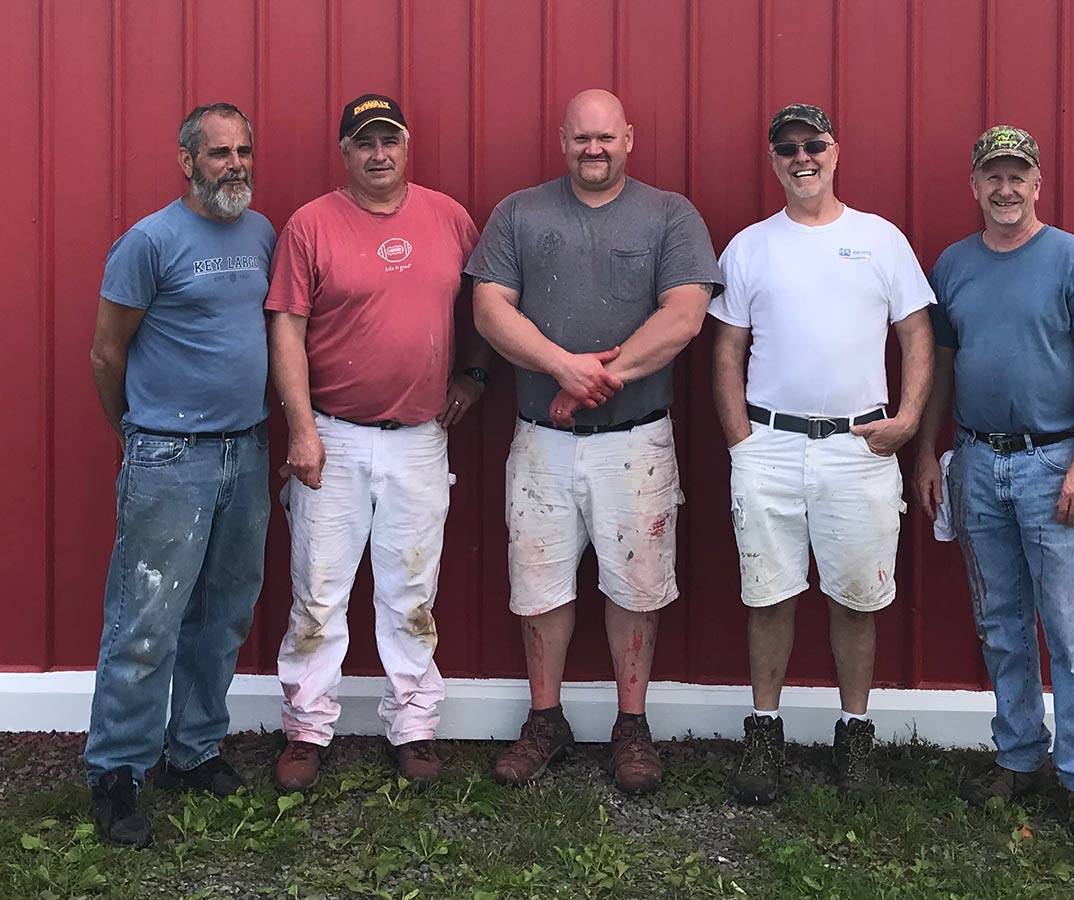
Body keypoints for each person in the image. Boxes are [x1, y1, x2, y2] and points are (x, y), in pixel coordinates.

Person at [468, 89, 723, 794]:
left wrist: (599, 378)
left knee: (637, 585)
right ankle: (545, 719)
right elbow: (488, 309)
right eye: (582, 138)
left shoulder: (670, 215)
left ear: (629, 138)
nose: (594, 149)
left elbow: (685, 315)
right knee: (539, 582)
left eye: (606, 137)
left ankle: (631, 724)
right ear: (562, 140)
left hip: (635, 442)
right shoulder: (520, 213)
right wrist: (562, 368)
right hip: (540, 437)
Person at [709, 103, 934, 803]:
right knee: (769, 594)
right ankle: (765, 734)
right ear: (773, 160)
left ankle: (854, 736)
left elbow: (917, 336)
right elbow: (726, 347)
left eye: (815, 145)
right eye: (788, 149)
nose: (802, 158)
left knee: (855, 597)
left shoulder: (881, 240)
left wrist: (908, 418)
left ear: (836, 152)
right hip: (769, 444)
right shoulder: (750, 246)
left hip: (860, 444)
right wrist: (739, 440)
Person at [913, 125, 1074, 846]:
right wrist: (928, 454)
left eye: (1018, 176)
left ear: (1038, 184)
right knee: (1000, 622)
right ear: (974, 185)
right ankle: (1017, 756)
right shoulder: (954, 265)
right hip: (977, 461)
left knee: (1070, 631)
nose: (1005, 189)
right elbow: (941, 366)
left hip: (1053, 463)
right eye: (993, 177)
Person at [267, 93, 488, 790]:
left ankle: (415, 726)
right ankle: (307, 728)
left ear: (406, 143)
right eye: (365, 142)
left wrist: (475, 373)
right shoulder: (310, 225)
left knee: (411, 590)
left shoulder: (449, 217)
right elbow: (286, 329)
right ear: (345, 152)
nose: (379, 154)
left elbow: (484, 302)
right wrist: (301, 429)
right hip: (331, 434)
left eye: (389, 139)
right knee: (319, 590)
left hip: (420, 437)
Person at [86, 103, 275, 847]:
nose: (236, 164)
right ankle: (117, 773)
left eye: (244, 150)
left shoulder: (261, 233)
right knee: (146, 620)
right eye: (220, 152)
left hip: (248, 451)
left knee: (223, 610)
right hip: (169, 455)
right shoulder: (148, 241)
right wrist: (140, 433)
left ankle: (192, 750)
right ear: (187, 161)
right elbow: (107, 354)